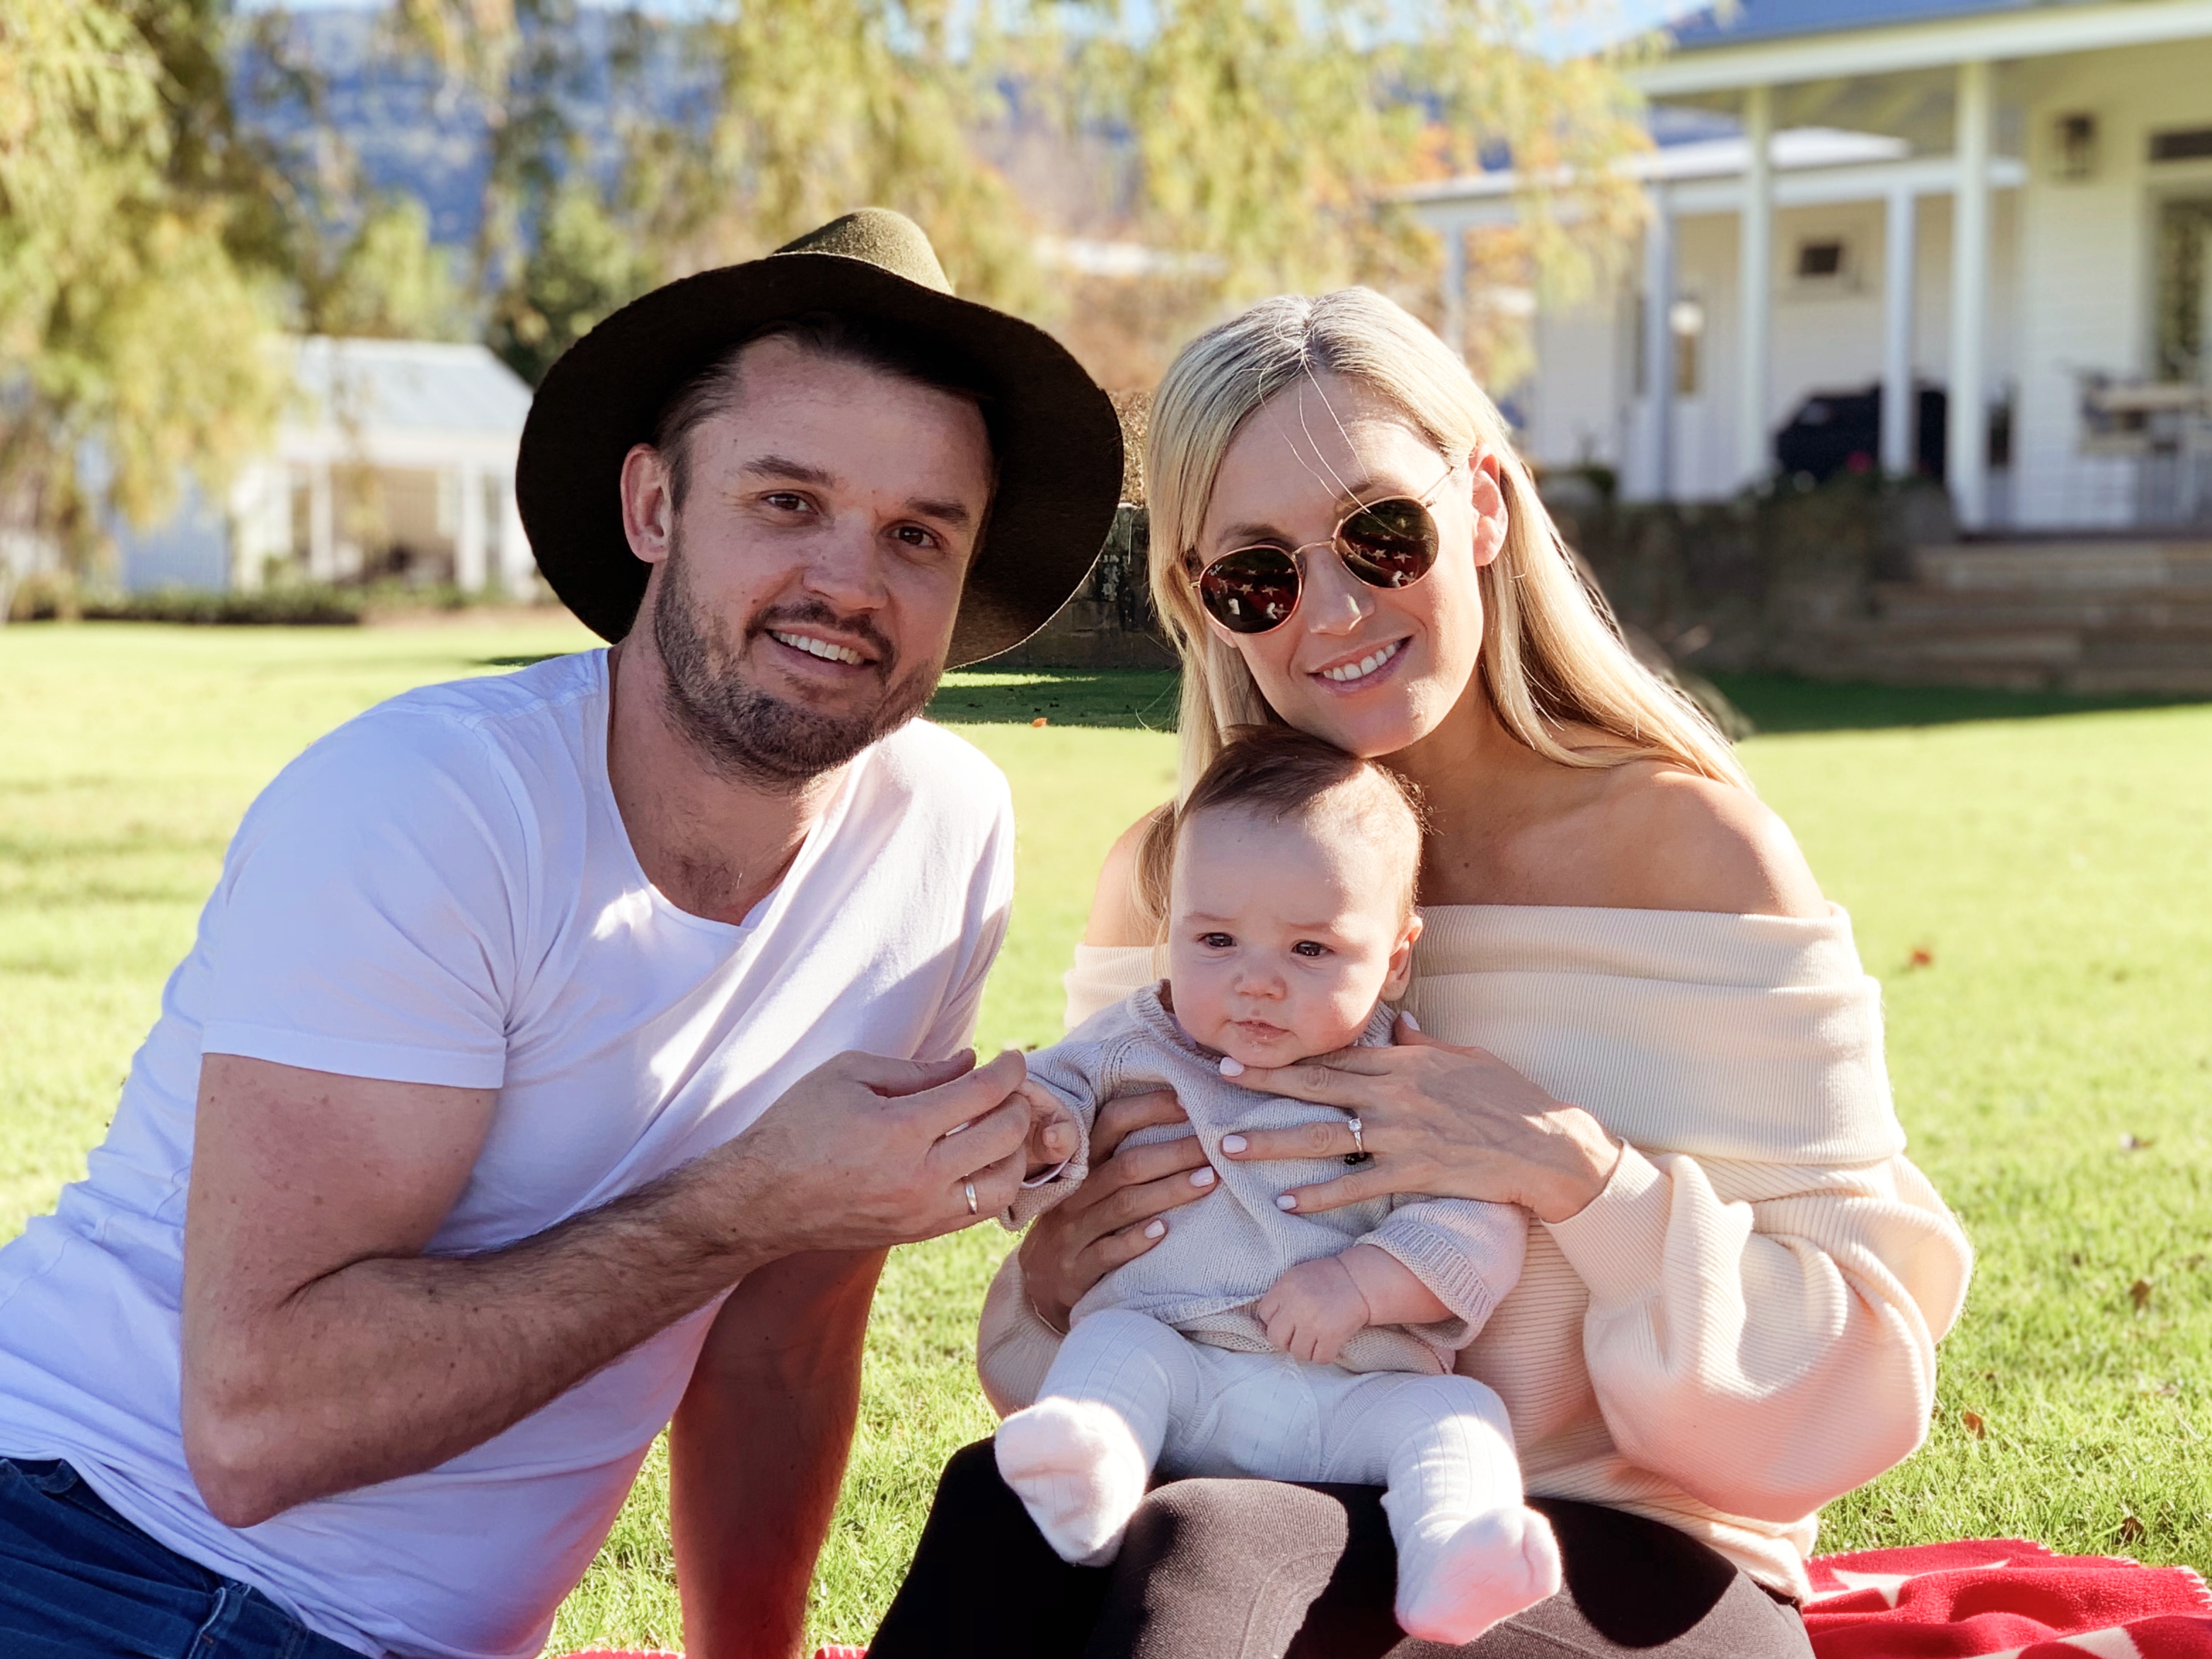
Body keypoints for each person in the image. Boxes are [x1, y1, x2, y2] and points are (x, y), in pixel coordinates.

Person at [0, 209, 1124, 1659]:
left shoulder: (944, 834)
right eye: (788, 501)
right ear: (654, 506)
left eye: (918, 533)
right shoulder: (430, 802)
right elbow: (258, 1428)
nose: (852, 583)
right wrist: (748, 1201)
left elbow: (782, 1343)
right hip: (85, 1541)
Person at [873, 286, 1974, 1659]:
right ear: (1204, 603)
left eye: (1379, 533)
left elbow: (1856, 1376)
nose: (1334, 610)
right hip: (1241, 1459)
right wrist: (1054, 1277)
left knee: (1211, 1542)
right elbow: (1100, 1323)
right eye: (1259, 573)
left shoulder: (1690, 855)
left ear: (1486, 508)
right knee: (998, 1508)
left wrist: (1579, 1175)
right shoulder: (1170, 885)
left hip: (1609, 1553)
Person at [995, 727, 1556, 1646]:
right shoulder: (1137, 1040)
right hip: (1180, 1367)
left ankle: (1456, 1551)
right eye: (1216, 939)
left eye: (1309, 949)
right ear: (1171, 928)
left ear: (1395, 957)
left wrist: (1364, 1284)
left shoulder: (1409, 1082)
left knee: (1457, 1414)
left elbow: (1478, 1223)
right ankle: (1092, 1475)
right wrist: (1038, 1131)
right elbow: (1055, 1092)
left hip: (1355, 1396)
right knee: (1113, 1347)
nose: (1256, 983)